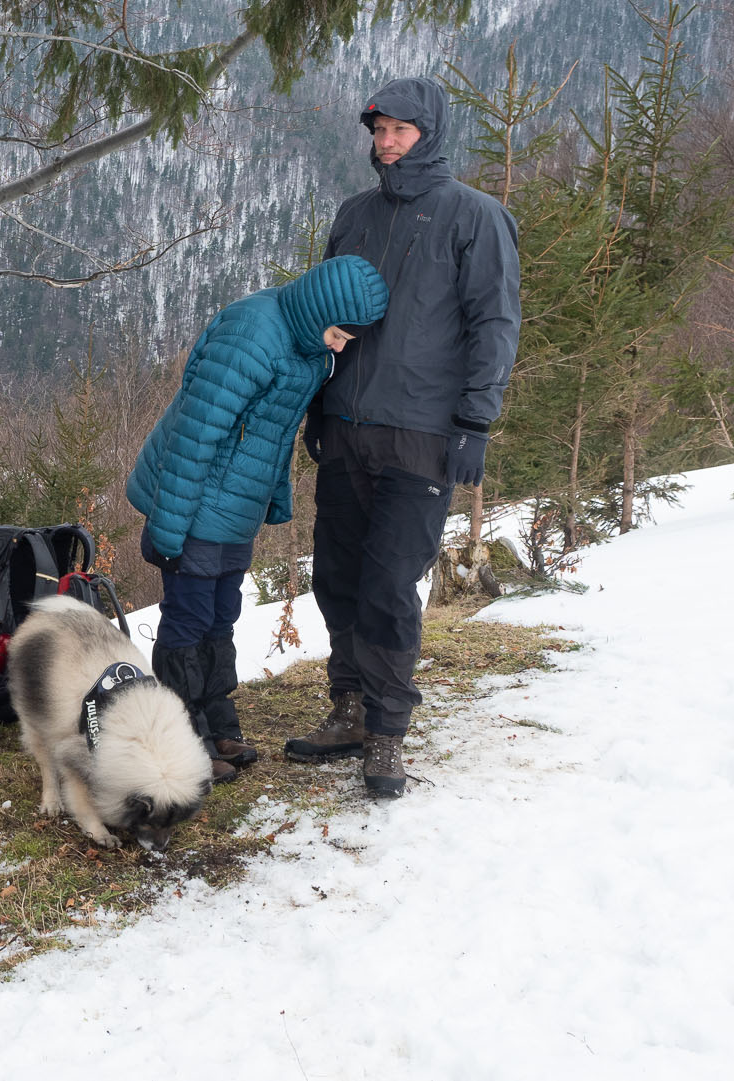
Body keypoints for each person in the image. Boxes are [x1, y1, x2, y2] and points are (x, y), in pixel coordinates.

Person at [282, 76, 521, 798]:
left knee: (389, 585)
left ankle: (386, 733)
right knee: (339, 579)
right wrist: (318, 407)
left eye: (400, 131)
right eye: (378, 130)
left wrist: (476, 419)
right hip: (348, 429)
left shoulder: (475, 217)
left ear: (430, 134)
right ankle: (349, 706)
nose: (385, 144)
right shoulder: (354, 216)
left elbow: (494, 324)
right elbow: (323, 316)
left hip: (422, 434)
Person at [128, 255, 388, 784]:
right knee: (189, 619)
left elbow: (272, 435)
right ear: (321, 311)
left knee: (223, 614)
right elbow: (195, 434)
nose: (340, 347)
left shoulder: (309, 350)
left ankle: (219, 721)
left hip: (233, 507)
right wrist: (170, 524)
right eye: (339, 334)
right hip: (193, 499)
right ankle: (181, 737)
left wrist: (274, 498)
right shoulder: (252, 333)